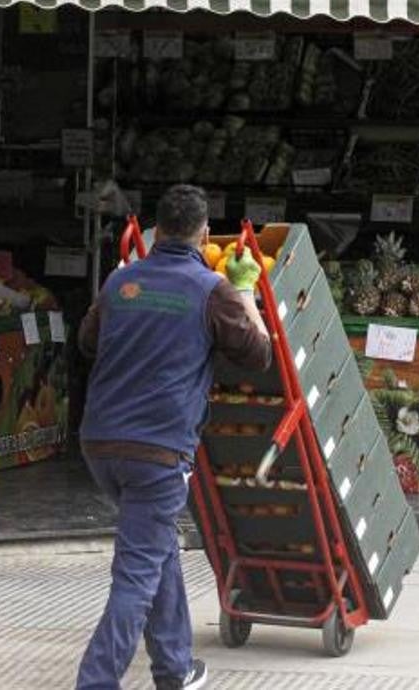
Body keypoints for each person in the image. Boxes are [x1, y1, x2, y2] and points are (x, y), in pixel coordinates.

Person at [75, 184, 272, 689]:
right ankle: (96, 682)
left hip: (99, 445)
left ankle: (175, 667)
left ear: (154, 231)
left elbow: (86, 343)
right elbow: (259, 355)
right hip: (158, 452)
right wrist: (246, 291)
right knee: (136, 575)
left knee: (156, 547)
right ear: (204, 233)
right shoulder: (213, 290)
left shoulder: (121, 284)